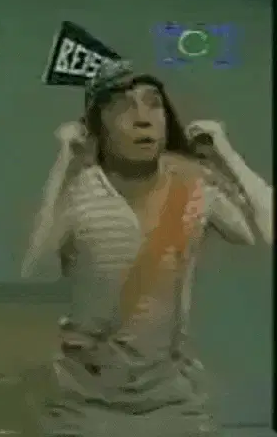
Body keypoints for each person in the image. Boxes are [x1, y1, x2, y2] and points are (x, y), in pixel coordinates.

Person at [22, 60, 272, 437]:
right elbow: (33, 269)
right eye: (124, 107)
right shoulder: (80, 193)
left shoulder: (192, 187)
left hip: (174, 403)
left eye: (153, 104)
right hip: (83, 405)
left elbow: (264, 233)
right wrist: (64, 161)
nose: (143, 119)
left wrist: (225, 154)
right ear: (97, 127)